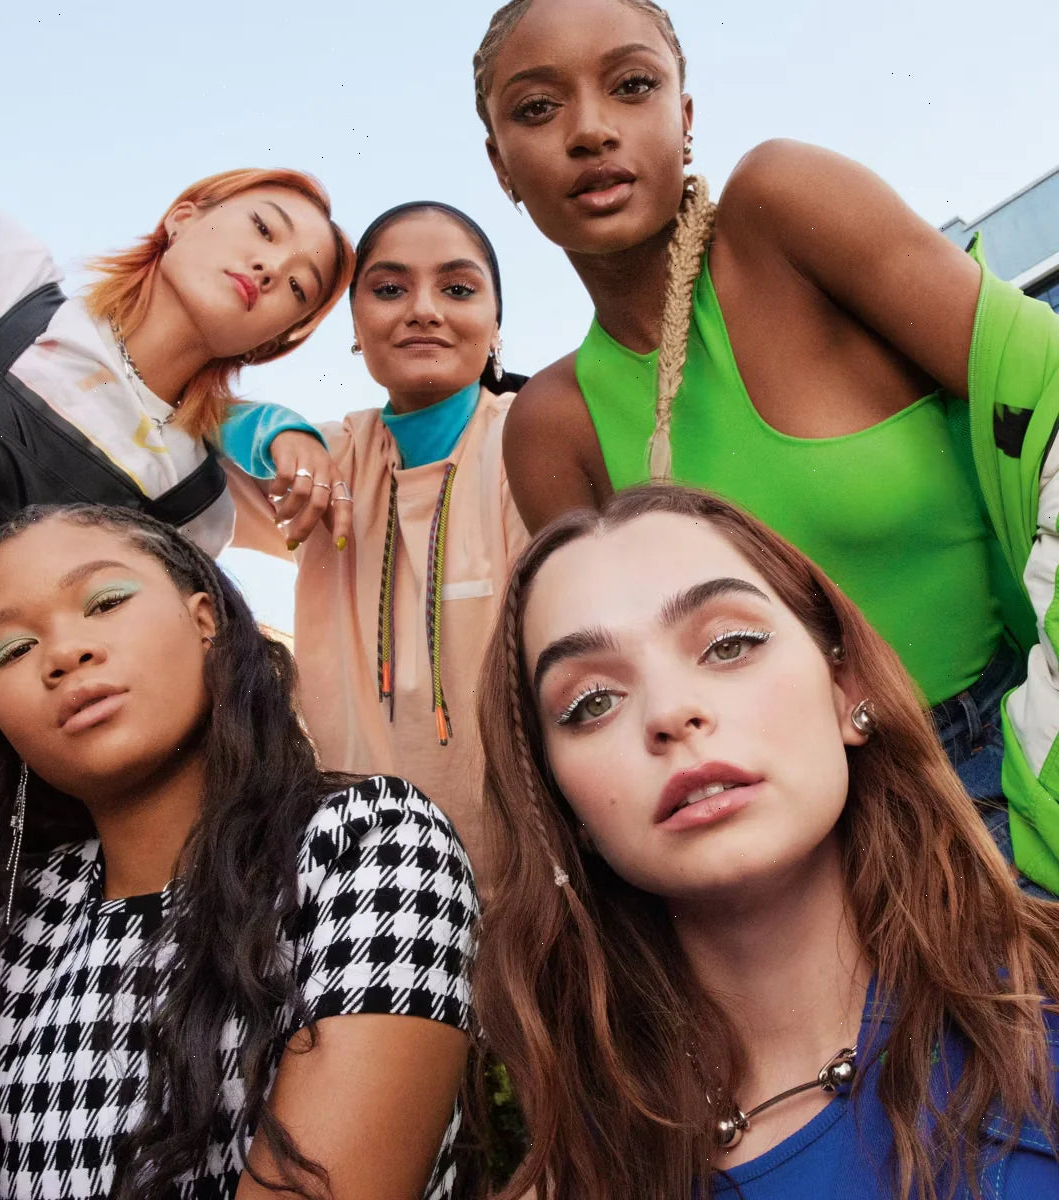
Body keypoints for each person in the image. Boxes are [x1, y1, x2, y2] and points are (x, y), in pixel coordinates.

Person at [468, 0, 1059, 818]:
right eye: (538, 108)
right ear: (501, 165)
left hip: (1016, 742)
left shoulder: (785, 208)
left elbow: (1047, 394)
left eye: (631, 86)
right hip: (783, 831)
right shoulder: (551, 425)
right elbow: (615, 690)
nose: (591, 131)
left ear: (684, 119)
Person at [0, 52, 354, 974]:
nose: (271, 265)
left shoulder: (197, 505)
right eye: (264, 227)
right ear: (184, 215)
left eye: (298, 285)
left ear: (276, 340)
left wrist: (282, 432)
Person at [0, 504, 476, 1198]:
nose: (63, 654)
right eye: (13, 650)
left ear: (204, 620)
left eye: (105, 602)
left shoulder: (366, 841)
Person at [474, 483, 1059, 1200]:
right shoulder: (584, 1166)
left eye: (729, 645)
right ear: (562, 806)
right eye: (591, 702)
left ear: (845, 686)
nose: (671, 712)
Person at [223, 202, 528, 881]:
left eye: (457, 288)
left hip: (534, 874)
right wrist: (271, 428)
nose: (423, 310)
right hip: (369, 881)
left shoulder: (532, 439)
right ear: (356, 327)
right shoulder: (330, 461)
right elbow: (169, 415)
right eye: (390, 289)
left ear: (495, 325)